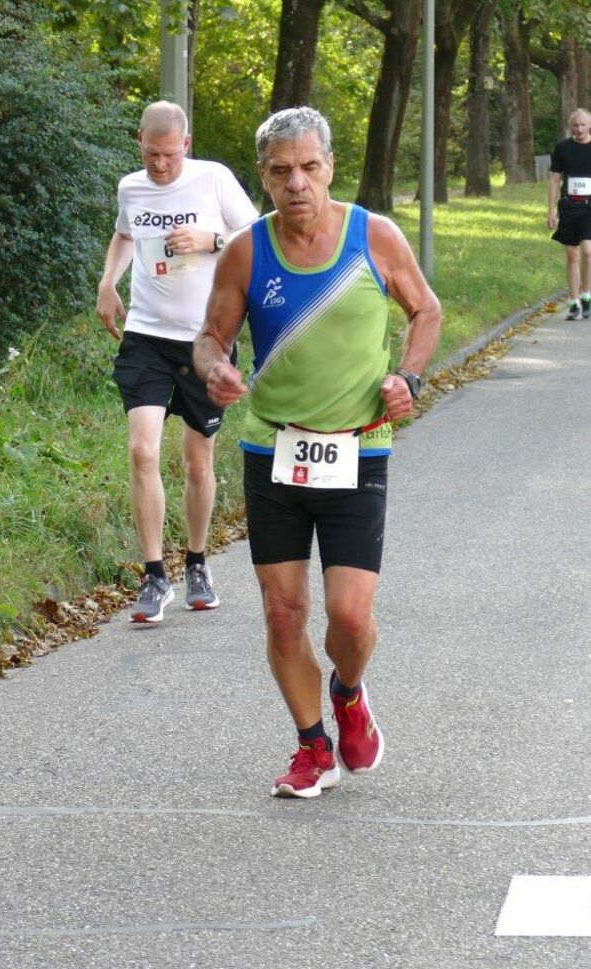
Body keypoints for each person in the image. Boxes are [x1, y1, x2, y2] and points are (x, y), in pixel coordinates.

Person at [193, 107, 441, 798]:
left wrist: (408, 377)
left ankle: (349, 692)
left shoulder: (374, 236)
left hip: (358, 450)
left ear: (330, 167)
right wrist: (215, 369)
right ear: (264, 177)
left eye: (308, 167)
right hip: (273, 450)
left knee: (351, 617)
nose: (296, 182)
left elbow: (426, 310)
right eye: (281, 171)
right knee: (282, 612)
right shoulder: (247, 250)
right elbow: (210, 337)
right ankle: (312, 747)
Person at [97, 101, 258, 625]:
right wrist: (108, 282)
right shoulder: (131, 188)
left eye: (169, 154)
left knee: (196, 462)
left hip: (204, 340)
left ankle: (196, 563)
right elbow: (126, 234)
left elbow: (257, 234)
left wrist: (211, 240)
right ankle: (153, 576)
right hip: (146, 335)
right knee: (142, 449)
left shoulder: (213, 179)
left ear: (185, 144)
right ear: (139, 142)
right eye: (151, 154)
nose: (160, 165)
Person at [548, 107, 591, 320]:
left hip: (590, 207)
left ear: (589, 126)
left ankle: (587, 295)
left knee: (588, 252)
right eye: (576, 125)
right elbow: (555, 179)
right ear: (570, 126)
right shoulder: (563, 148)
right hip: (569, 206)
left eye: (583, 125)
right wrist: (550, 211)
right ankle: (574, 303)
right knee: (572, 255)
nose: (579, 129)